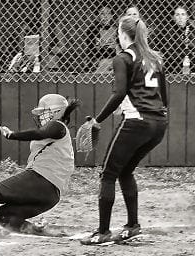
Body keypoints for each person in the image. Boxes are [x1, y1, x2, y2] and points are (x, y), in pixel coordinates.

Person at [80, 16, 168, 245]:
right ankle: (133, 226)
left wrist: (97, 120)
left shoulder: (122, 58)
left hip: (137, 123)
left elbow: (119, 92)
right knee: (125, 171)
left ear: (122, 34)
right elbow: (162, 97)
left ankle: (103, 233)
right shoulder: (154, 58)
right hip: (159, 124)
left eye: (119, 32)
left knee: (108, 174)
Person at [0, 94, 80, 234]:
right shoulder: (59, 132)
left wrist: (11, 135)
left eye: (44, 112)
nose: (41, 116)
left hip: (41, 179)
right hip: (51, 196)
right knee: (0, 217)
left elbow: (40, 133)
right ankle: (37, 229)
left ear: (57, 112)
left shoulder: (57, 125)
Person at [156, 6, 195, 73]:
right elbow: (170, 53)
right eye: (177, 15)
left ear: (187, 17)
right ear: (174, 18)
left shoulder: (192, 30)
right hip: (174, 66)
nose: (180, 17)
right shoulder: (169, 32)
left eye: (183, 14)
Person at [85, 5, 118, 73]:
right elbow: (94, 50)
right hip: (99, 59)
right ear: (98, 16)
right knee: (104, 63)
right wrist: (111, 48)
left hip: (115, 58)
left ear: (112, 16)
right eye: (102, 13)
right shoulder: (93, 30)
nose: (106, 16)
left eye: (108, 13)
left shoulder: (117, 29)